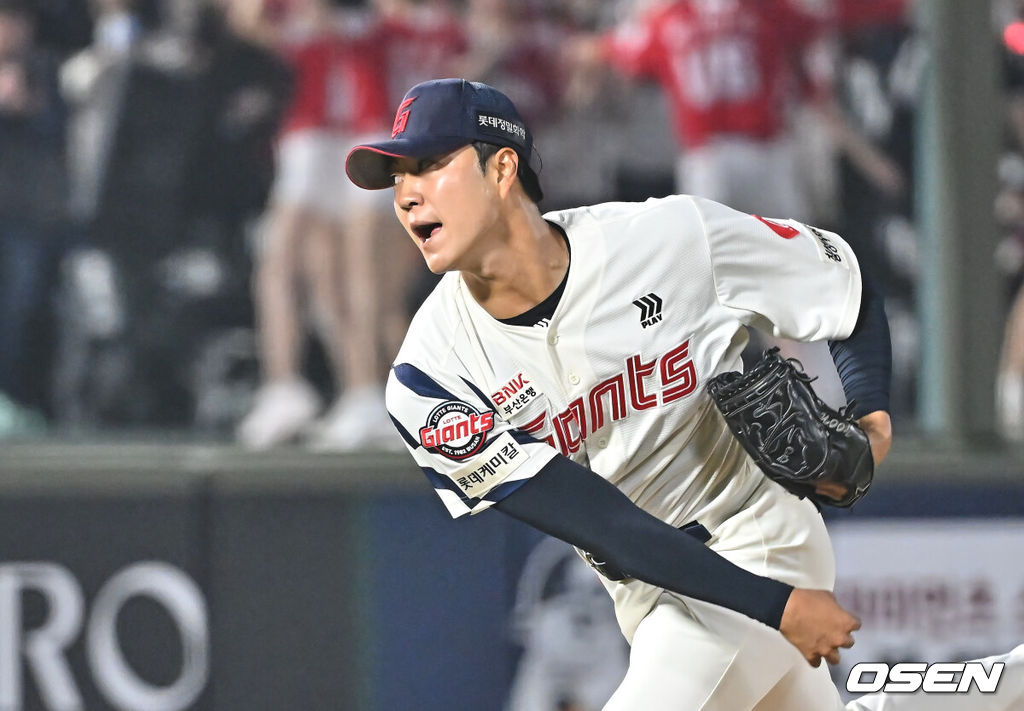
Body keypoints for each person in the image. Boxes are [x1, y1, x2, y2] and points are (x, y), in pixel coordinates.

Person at [345, 78, 1024, 710]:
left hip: (755, 538)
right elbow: (594, 517)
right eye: (397, 176)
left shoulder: (668, 238)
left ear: (501, 168)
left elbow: (840, 286)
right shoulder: (427, 375)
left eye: (431, 165)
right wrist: (776, 606)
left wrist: (870, 414)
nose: (407, 193)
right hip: (668, 597)